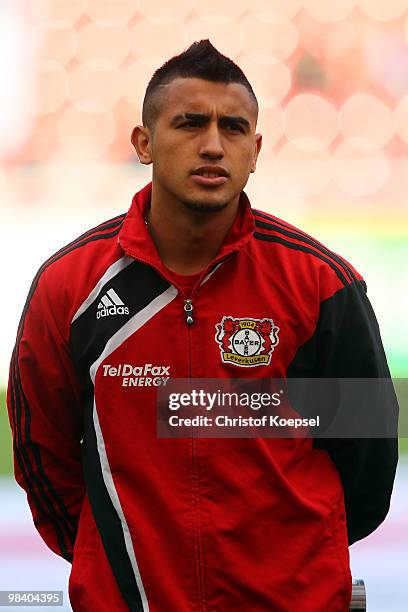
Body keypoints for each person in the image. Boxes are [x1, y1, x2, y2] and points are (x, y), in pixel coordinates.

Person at [7, 40, 398, 612]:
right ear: (143, 142)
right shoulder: (69, 288)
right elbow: (43, 458)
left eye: (233, 128)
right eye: (189, 124)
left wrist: (295, 570)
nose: (213, 145)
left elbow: (367, 462)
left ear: (256, 149)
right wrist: (109, 558)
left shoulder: (320, 283)